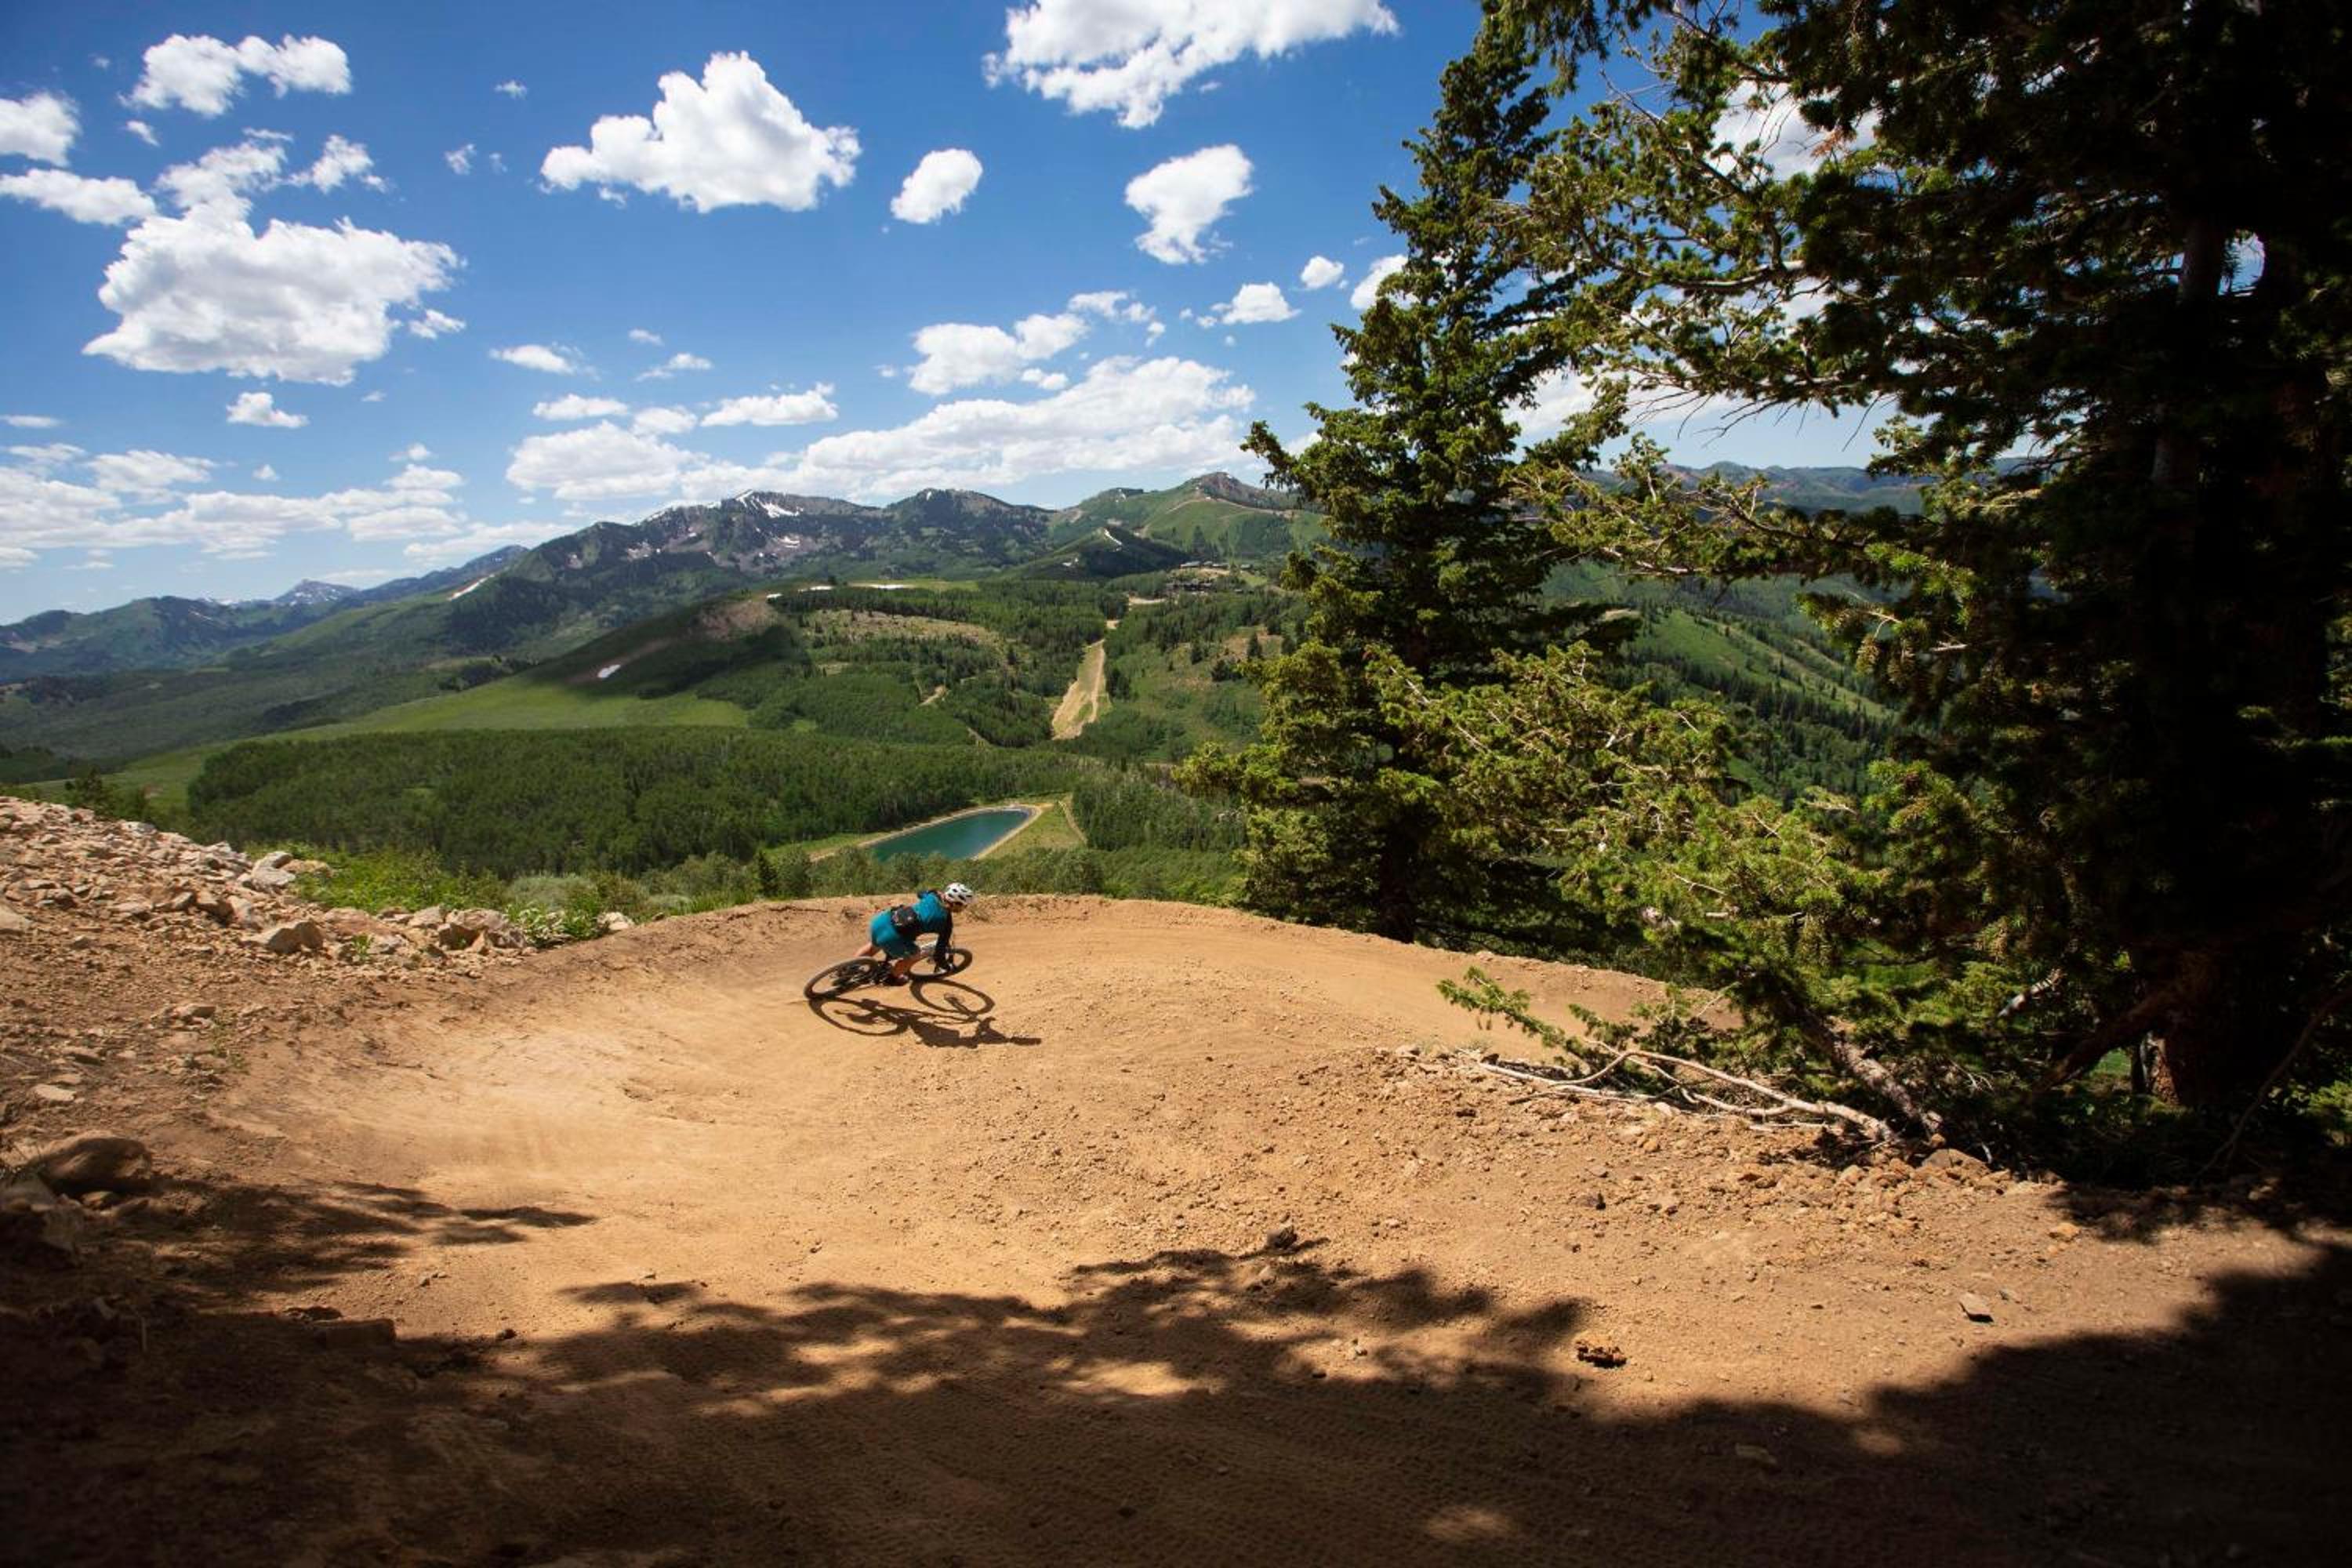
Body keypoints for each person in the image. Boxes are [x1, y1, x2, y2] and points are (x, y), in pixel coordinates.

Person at [858, 881, 973, 985]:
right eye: (964, 905)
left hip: (881, 921)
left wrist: (932, 892)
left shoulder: (933, 896)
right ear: (955, 904)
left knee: (873, 947)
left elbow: (920, 893)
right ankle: (892, 979)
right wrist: (947, 967)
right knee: (916, 955)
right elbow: (939, 954)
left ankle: (851, 968)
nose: (964, 908)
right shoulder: (946, 923)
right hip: (892, 938)